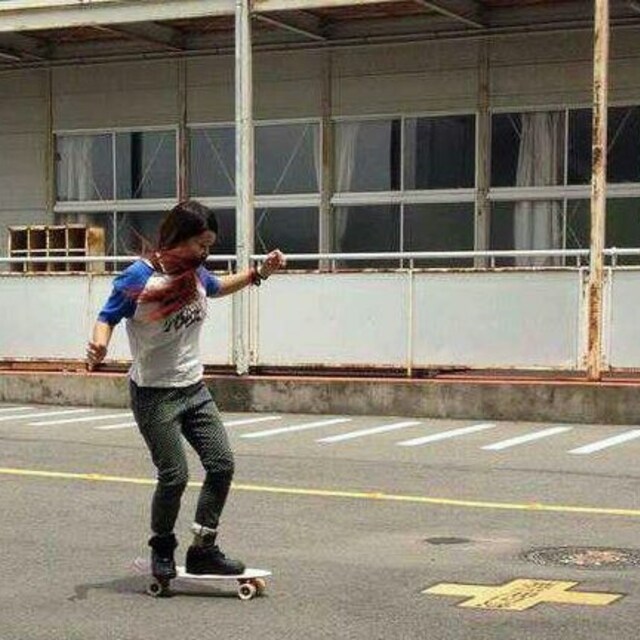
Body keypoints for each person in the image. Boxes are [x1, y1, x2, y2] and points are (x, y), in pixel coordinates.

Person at [86, 199, 286, 580]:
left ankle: (203, 549)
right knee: (174, 475)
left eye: (209, 246)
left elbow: (217, 286)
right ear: (178, 238)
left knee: (221, 464)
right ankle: (162, 547)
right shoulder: (139, 277)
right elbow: (107, 316)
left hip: (194, 390)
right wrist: (99, 344)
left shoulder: (195, 273)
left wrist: (258, 273)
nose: (204, 253)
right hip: (154, 394)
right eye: (200, 244)